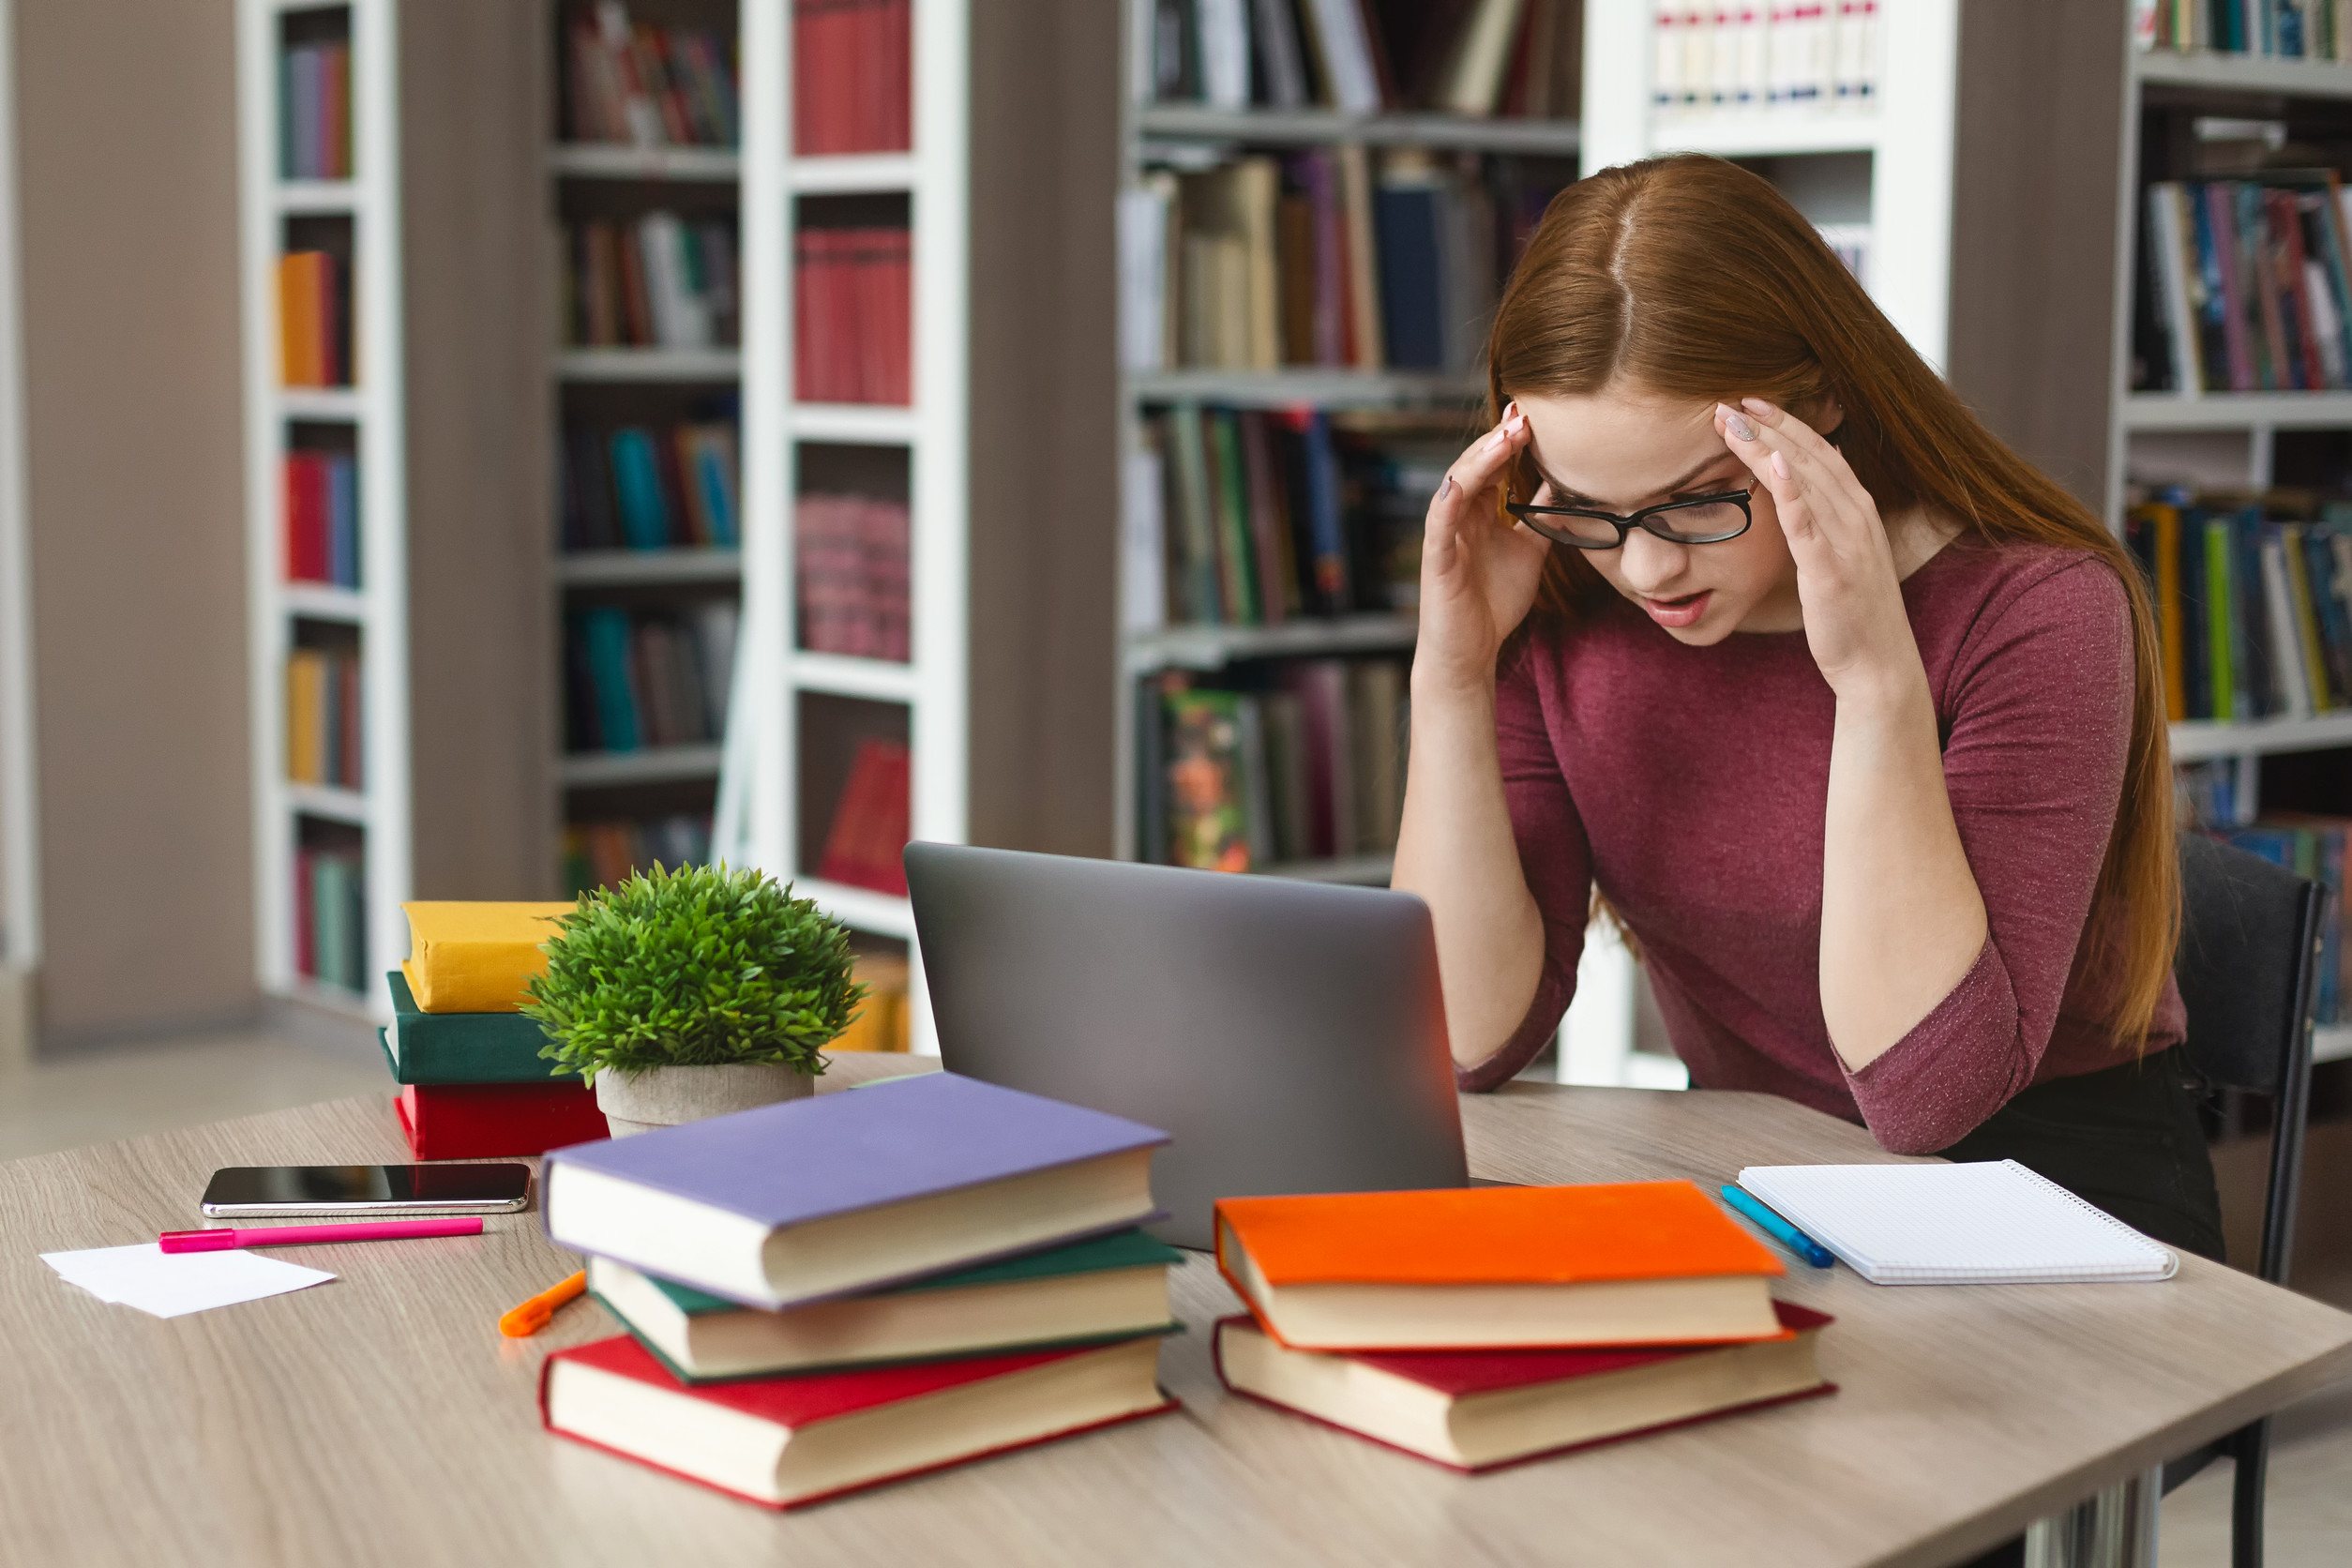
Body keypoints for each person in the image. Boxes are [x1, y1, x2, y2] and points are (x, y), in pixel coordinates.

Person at [1392, 154, 2224, 1262]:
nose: (1643, 571)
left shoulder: (2039, 609)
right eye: (1588, 511)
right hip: (1757, 1174)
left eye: (1693, 502)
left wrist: (1876, 679)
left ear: (1820, 403)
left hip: (2053, 1197)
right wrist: (1450, 676)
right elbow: (1460, 1045)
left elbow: (1929, 1102)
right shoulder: (1557, 611)